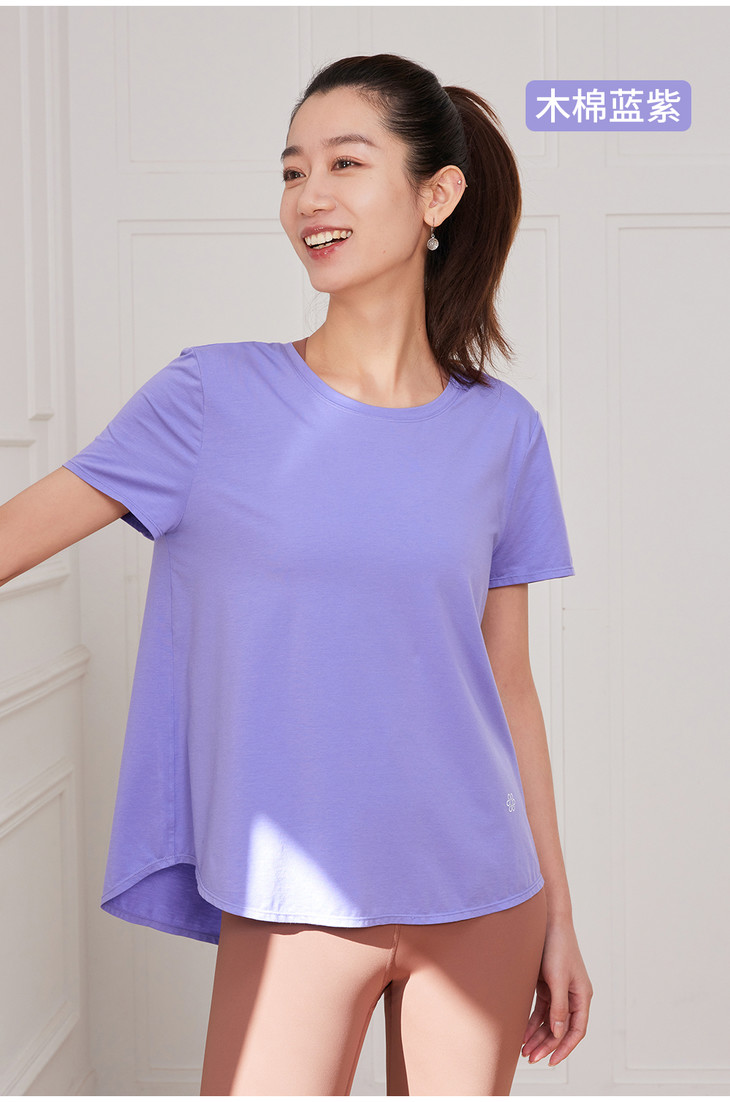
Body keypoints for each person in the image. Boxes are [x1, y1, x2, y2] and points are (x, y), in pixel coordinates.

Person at [0, 53, 593, 1096]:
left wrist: (558, 911)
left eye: (345, 164)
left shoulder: (504, 432)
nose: (309, 195)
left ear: (436, 195)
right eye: (291, 171)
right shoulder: (209, 397)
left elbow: (509, 685)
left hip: (486, 893)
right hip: (296, 903)